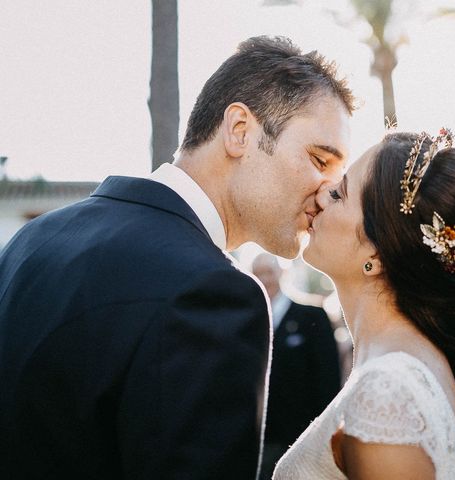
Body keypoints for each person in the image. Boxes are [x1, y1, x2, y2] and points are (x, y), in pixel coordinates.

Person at [0, 36, 355, 479]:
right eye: (320, 160)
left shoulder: (33, 239)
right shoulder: (213, 293)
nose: (326, 192)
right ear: (240, 131)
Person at [273, 129, 455, 479]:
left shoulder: (388, 395)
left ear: (378, 252)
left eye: (340, 193)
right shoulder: (413, 366)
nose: (321, 192)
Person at [251, 253, 342, 478]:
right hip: (260, 440)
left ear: (281, 273)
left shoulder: (312, 316)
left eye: (269, 272)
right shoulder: (249, 321)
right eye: (258, 274)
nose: (265, 279)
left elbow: (328, 379)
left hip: (302, 436)